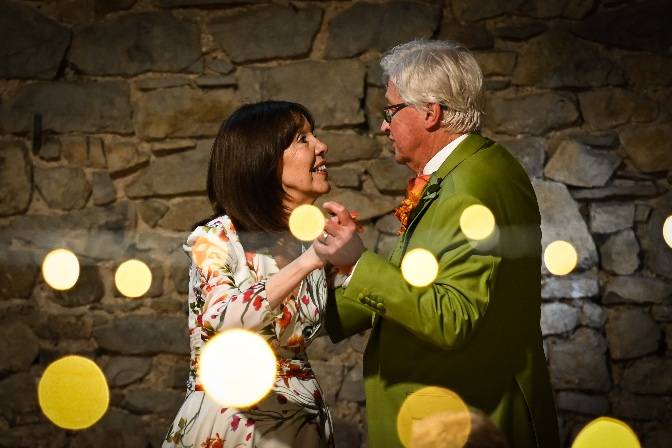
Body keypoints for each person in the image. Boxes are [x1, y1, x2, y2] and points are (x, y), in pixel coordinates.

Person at [315, 39, 560, 448]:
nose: (383, 126)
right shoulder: (470, 169)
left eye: (392, 111)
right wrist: (317, 303)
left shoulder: (470, 188)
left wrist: (358, 265)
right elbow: (417, 279)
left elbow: (453, 316)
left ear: (430, 112)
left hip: (465, 421)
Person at [164, 101, 334, 448]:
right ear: (263, 160)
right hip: (236, 428)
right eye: (303, 139)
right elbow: (225, 319)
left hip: (301, 427)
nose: (321, 146)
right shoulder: (216, 238)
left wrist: (349, 263)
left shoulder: (306, 243)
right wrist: (310, 262)